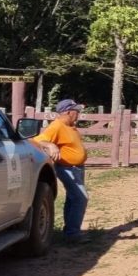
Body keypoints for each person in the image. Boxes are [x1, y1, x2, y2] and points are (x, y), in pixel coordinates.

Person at [34, 99, 89, 241]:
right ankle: (73, 233)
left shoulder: (70, 126)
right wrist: (51, 145)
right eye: (77, 111)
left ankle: (70, 231)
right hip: (67, 168)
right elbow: (38, 140)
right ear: (68, 112)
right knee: (80, 197)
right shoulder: (57, 126)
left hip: (77, 168)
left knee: (72, 198)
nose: (79, 114)